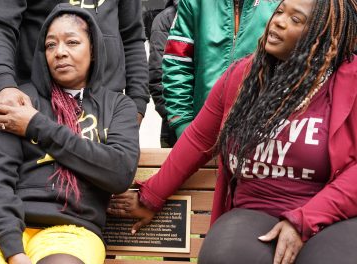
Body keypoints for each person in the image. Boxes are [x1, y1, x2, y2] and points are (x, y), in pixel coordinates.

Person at [109, 0, 357, 263]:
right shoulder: (243, 75)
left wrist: (304, 220)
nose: (279, 22)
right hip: (255, 209)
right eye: (280, 12)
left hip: (328, 213)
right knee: (224, 256)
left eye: (296, 20)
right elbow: (199, 140)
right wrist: (151, 197)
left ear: (323, 36)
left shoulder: (349, 81)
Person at [0, 4, 139, 264]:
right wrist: (13, 250)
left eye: (72, 42)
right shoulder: (20, 101)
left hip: (71, 228)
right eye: (51, 45)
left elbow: (118, 173)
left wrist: (36, 125)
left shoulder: (117, 106)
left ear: (93, 49)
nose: (60, 52)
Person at [0, 0, 149, 125]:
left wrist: (137, 104)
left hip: (107, 107)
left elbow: (132, 38)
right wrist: (4, 84)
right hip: (37, 105)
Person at [164, 0, 279, 139]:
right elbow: (177, 62)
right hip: (202, 131)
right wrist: (182, 124)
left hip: (263, 133)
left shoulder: (280, 4)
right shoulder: (196, 2)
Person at [148, 0, 178, 147]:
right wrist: (177, 120)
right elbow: (157, 77)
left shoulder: (223, 16)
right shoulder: (166, 19)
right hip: (176, 126)